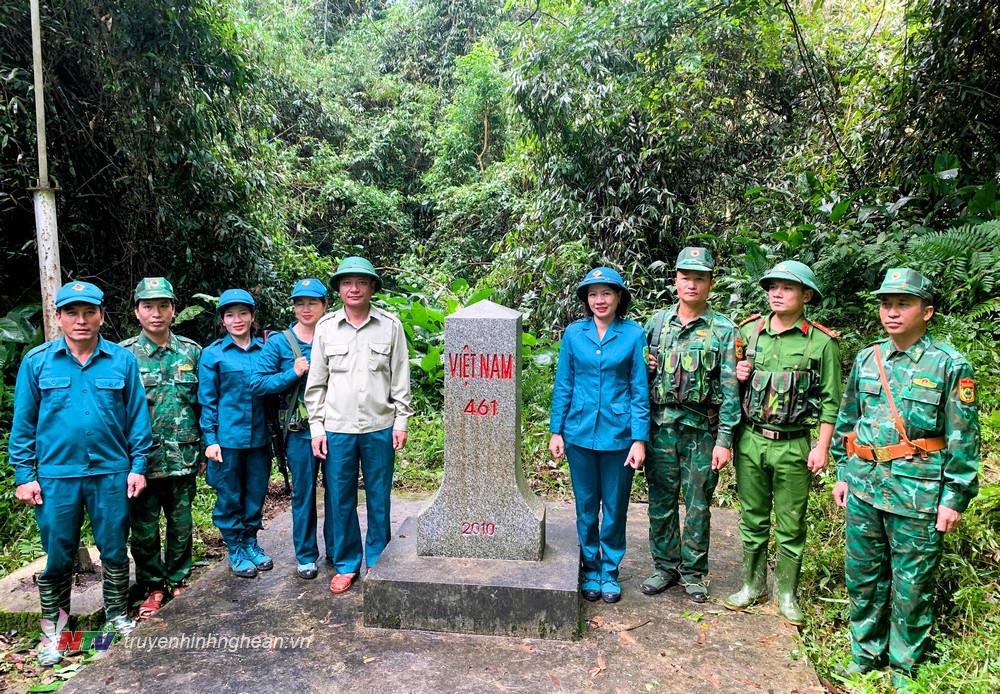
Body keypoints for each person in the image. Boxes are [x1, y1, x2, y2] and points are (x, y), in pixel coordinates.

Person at [830, 268, 979, 689]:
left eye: (903, 304)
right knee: (863, 576)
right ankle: (865, 654)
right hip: (864, 487)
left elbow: (964, 437)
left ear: (926, 312)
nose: (891, 312)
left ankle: (904, 666)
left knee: (912, 586)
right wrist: (843, 471)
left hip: (918, 494)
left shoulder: (949, 365)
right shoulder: (868, 358)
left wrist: (954, 498)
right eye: (886, 304)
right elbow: (849, 420)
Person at [8, 281, 152, 666]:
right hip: (56, 477)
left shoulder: (121, 361)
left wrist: (138, 466)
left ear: (102, 316)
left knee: (114, 549)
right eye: (71, 312)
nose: (81, 320)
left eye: (89, 312)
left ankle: (116, 616)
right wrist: (24, 475)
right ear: (58, 317)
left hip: (111, 472)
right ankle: (55, 633)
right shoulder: (37, 362)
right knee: (58, 556)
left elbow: (138, 419)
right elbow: (23, 425)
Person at [724, 260, 841, 625]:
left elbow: (831, 401)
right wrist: (738, 374)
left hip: (794, 444)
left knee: (791, 522)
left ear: (806, 296)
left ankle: (787, 593)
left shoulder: (821, 343)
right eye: (773, 287)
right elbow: (729, 387)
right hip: (751, 440)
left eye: (787, 288)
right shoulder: (749, 332)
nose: (777, 293)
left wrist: (822, 447)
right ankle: (752, 585)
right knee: (753, 518)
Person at [305, 257, 412, 595]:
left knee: (379, 496)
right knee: (340, 498)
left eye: (361, 282)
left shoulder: (390, 325)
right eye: (347, 282)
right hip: (338, 427)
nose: (354, 288)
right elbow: (316, 383)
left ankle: (377, 559)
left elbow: (400, 377)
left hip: (380, 426)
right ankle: (347, 563)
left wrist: (402, 421)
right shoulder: (326, 328)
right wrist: (317, 427)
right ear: (338, 289)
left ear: (372, 288)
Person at [641, 248, 740, 603]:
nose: (692, 284)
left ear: (710, 283)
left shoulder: (724, 330)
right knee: (661, 501)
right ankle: (665, 566)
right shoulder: (656, 324)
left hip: (701, 431)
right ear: (675, 281)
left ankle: (694, 573)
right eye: (686, 277)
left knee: (698, 504)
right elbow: (639, 378)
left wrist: (724, 441)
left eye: (700, 278)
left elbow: (731, 390)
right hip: (660, 429)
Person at [549, 267, 649, 604]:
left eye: (606, 293)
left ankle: (610, 570)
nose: (599, 300)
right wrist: (556, 431)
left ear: (619, 297)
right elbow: (564, 384)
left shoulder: (633, 335)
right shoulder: (574, 334)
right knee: (586, 506)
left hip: (619, 435)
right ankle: (590, 567)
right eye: (593, 294)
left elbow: (639, 389)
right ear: (586, 300)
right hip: (578, 433)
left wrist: (639, 439)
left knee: (616, 507)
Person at [120, 277, 203, 618]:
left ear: (173, 310)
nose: (156, 313)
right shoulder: (123, 355)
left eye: (163, 306)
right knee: (143, 529)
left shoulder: (191, 352)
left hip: (183, 454)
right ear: (137, 312)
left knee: (181, 523)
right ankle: (153, 586)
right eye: (148, 306)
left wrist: (204, 448)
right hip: (142, 461)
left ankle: (179, 578)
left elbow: (202, 404)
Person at [250, 278, 328, 580]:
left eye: (312, 303)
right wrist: (291, 373)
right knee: (304, 494)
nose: (306, 309)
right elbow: (257, 383)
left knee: (337, 492)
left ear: (324, 305)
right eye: (300, 303)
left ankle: (337, 550)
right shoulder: (280, 343)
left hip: (336, 427)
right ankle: (306, 556)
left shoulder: (335, 335)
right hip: (299, 431)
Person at [198, 289, 272, 578]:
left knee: (256, 492)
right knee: (229, 496)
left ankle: (251, 541)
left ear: (252, 316)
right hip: (227, 440)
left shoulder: (265, 350)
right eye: (230, 315)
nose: (237, 319)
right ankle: (236, 547)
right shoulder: (213, 354)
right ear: (223, 320)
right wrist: (210, 439)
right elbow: (207, 400)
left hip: (259, 438)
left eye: (243, 313)